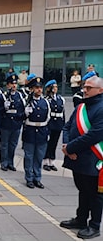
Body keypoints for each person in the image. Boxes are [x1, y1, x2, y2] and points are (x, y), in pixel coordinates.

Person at [60, 75, 103, 240]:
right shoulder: (80, 107)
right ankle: (81, 219)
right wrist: (66, 147)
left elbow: (94, 135)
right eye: (84, 87)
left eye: (89, 88)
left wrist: (70, 147)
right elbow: (67, 126)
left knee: (95, 195)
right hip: (76, 158)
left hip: (93, 160)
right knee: (83, 191)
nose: (84, 90)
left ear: (100, 90)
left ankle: (94, 225)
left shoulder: (101, 108)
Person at [22, 76, 50, 189]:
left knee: (39, 157)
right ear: (32, 89)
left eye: (40, 88)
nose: (39, 90)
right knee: (29, 156)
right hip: (30, 131)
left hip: (42, 131)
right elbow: (20, 117)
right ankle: (29, 178)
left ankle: (37, 178)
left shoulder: (45, 102)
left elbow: (48, 118)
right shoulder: (26, 101)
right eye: (36, 88)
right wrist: (25, 113)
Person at [0, 74, 25, 172]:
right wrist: (4, 108)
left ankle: (10, 162)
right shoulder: (3, 96)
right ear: (7, 85)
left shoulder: (20, 96)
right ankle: (4, 163)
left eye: (15, 83)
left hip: (16, 124)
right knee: (4, 145)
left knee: (13, 145)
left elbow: (23, 110)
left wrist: (21, 119)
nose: (14, 85)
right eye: (11, 84)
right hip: (6, 124)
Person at [43, 79, 65, 171]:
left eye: (56, 86)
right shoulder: (47, 100)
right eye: (54, 87)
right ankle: (45, 161)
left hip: (58, 124)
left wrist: (63, 124)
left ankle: (52, 161)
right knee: (48, 143)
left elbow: (63, 113)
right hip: (50, 123)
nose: (56, 88)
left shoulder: (61, 99)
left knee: (54, 143)